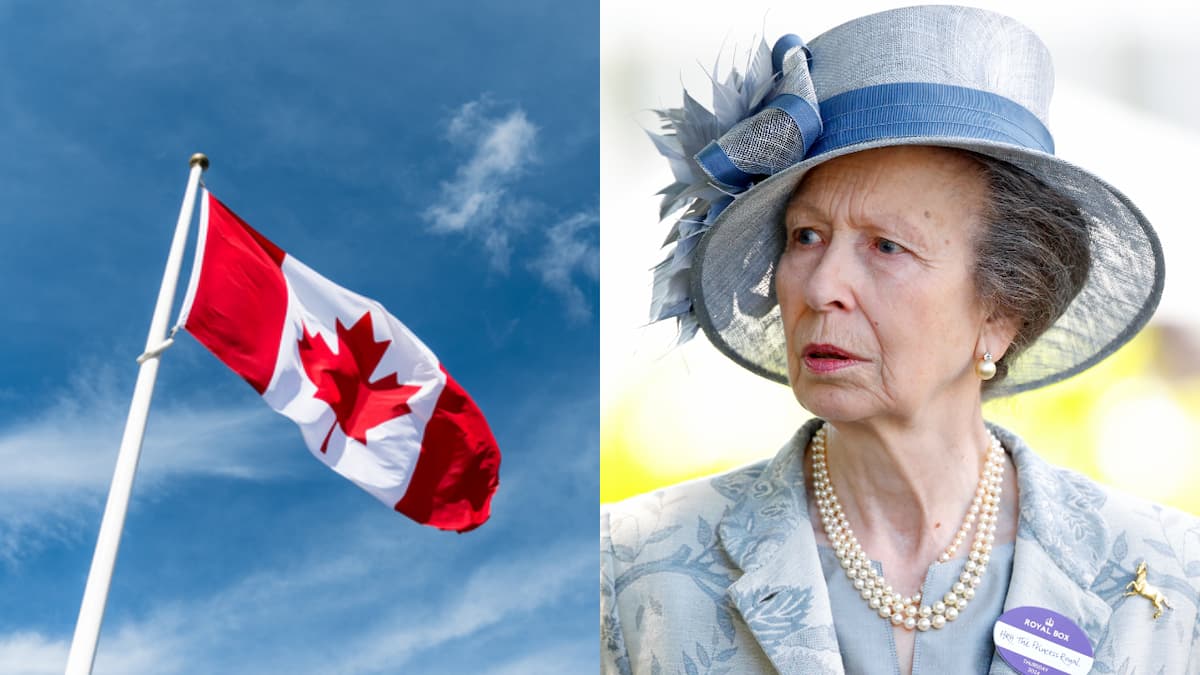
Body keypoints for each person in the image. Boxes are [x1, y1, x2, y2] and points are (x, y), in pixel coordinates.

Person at [601, 6, 1199, 674]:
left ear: (1003, 310)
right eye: (806, 236)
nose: (822, 283)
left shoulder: (1173, 579)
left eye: (886, 245)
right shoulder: (629, 567)